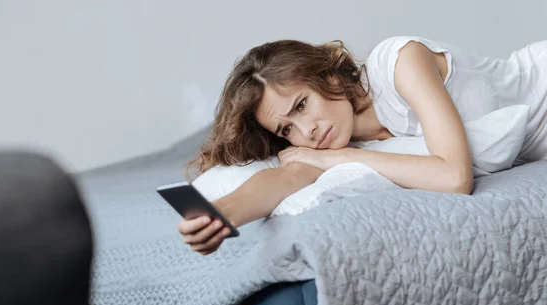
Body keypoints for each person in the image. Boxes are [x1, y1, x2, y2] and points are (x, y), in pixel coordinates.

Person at [178, 36, 547, 255]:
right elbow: (286, 180)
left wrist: (345, 157)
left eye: (302, 105)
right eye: (287, 129)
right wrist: (220, 215)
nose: (306, 132)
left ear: (330, 76)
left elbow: (454, 178)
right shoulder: (326, 141)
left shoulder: (402, 61)